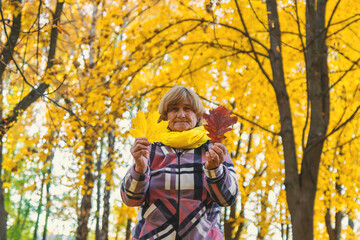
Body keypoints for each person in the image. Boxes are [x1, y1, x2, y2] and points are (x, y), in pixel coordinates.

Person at [121, 86, 238, 240]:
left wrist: (215, 171)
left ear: (197, 115)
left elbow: (228, 198)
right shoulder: (150, 148)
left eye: (187, 109)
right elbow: (129, 199)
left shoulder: (212, 149)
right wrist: (140, 169)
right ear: (165, 116)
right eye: (174, 109)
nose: (181, 114)